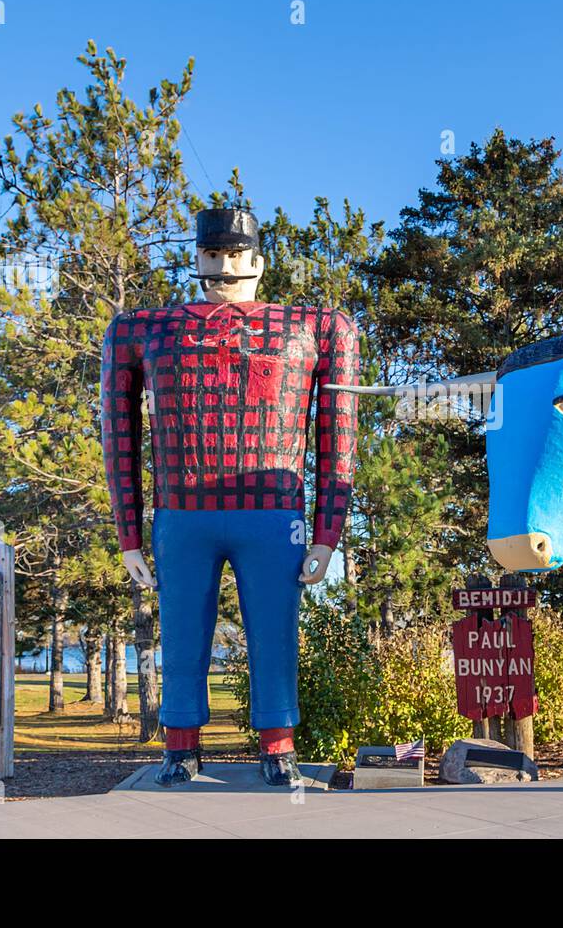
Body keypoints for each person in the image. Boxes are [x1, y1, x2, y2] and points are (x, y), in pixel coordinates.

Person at [101, 205, 359, 786]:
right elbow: (118, 432)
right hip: (182, 513)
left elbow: (338, 432)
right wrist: (129, 534)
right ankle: (180, 745)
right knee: (181, 630)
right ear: (196, 259)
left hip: (272, 511)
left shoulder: (317, 327)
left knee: (275, 629)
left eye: (236, 255)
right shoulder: (142, 330)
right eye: (213, 255)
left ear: (259, 262)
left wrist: (327, 532)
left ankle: (278, 744)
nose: (224, 266)